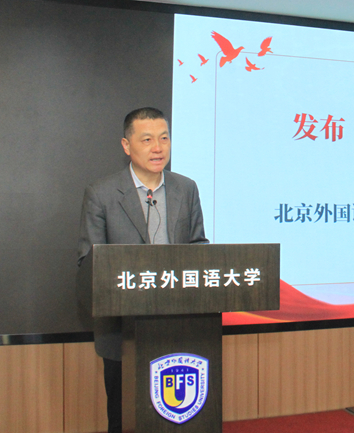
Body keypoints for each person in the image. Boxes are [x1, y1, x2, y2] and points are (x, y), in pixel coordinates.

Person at [77, 107, 208, 433]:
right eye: (147, 140)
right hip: (122, 330)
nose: (158, 147)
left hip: (178, 325)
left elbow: (198, 247)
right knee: (125, 419)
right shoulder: (102, 194)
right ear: (127, 145)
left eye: (164, 138)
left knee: (177, 418)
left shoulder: (186, 188)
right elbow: (89, 261)